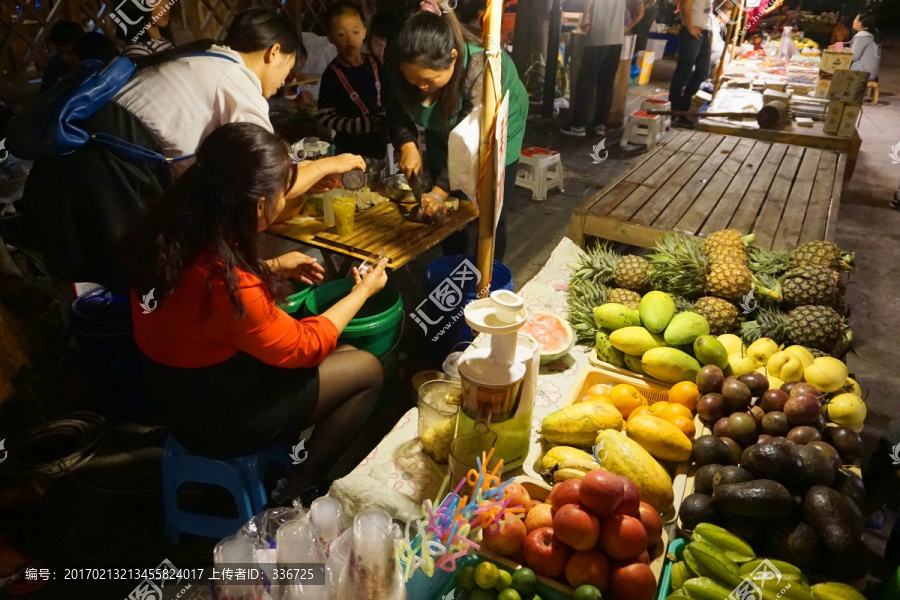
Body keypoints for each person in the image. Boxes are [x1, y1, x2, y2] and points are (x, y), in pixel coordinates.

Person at [128, 122, 387, 505]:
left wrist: (273, 265)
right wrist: (362, 291)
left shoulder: (165, 231)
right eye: (283, 194)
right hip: (218, 418)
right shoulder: (223, 283)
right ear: (260, 205)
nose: (285, 202)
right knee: (366, 369)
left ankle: (295, 472)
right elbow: (307, 346)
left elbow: (197, 298)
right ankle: (298, 491)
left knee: (345, 355)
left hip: (172, 394)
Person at [114, 8, 365, 189]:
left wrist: (308, 174)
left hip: (107, 159)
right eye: (289, 70)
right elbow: (268, 180)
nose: (284, 81)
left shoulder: (208, 56)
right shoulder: (237, 84)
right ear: (274, 52)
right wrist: (327, 165)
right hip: (120, 179)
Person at [386, 8, 528, 260]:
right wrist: (407, 144)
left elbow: (470, 144)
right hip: (447, 124)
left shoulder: (480, 70)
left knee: (490, 212)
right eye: (412, 80)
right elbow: (396, 108)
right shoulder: (402, 63)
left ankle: (488, 278)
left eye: (429, 81)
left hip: (493, 128)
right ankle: (454, 262)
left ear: (453, 57)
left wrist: (439, 192)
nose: (420, 88)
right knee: (451, 205)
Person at [318, 3, 389, 159]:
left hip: (378, 143)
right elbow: (324, 116)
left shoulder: (374, 63)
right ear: (330, 37)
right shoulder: (331, 75)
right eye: (341, 34)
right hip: (348, 148)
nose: (349, 39)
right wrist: (361, 125)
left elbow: (387, 96)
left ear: (364, 32)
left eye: (355, 32)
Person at [560, 0, 626, 136]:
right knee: (606, 82)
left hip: (598, 36)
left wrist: (585, 18)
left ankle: (578, 125)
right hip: (617, 38)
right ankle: (600, 124)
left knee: (586, 81)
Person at [668, 0, 714, 124]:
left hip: (704, 30)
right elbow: (686, 4)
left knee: (703, 72)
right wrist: (690, 27)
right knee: (684, 72)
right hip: (692, 31)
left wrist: (710, 30)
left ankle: (684, 107)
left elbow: (707, 10)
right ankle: (674, 111)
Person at [40, 20, 84, 93]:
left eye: (69, 52)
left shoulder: (93, 62)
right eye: (59, 52)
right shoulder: (54, 63)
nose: (64, 57)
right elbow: (45, 93)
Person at [848, 12, 880, 81]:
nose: (854, 21)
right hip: (872, 72)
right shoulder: (871, 34)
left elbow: (854, 57)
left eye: (855, 19)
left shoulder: (862, 36)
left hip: (862, 73)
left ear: (860, 23)